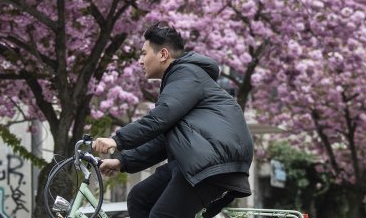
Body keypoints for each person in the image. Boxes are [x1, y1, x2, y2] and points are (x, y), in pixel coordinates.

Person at [93, 23, 254, 218]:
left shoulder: (187, 74)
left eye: (144, 54)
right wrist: (123, 161)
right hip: (194, 159)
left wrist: (117, 140)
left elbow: (162, 116)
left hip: (211, 163)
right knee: (139, 198)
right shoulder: (180, 80)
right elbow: (164, 138)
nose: (140, 61)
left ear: (163, 54)